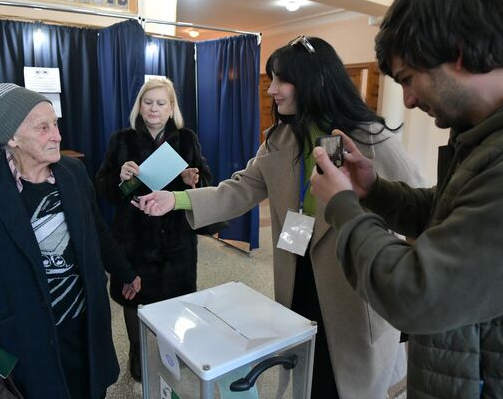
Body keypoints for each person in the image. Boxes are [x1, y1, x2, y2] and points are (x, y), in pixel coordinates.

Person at [133, 38, 424, 398]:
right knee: (307, 370)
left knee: (343, 381)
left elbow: (419, 209)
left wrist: (410, 294)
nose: (271, 90)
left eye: (280, 80)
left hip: (351, 289)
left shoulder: (370, 138)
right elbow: (238, 190)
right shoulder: (280, 138)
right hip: (297, 275)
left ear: (312, 80)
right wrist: (174, 199)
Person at [309, 0, 503, 398]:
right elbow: (452, 214)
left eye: (408, 78)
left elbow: (414, 292)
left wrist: (342, 206)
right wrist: (373, 191)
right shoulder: (483, 134)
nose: (406, 100)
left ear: (457, 52)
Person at [0, 83, 141, 399]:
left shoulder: (73, 172)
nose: (57, 135)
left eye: (55, 124)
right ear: (13, 137)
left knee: (90, 389)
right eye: (43, 128)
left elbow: (96, 230)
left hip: (83, 321)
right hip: (28, 328)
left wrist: (125, 271)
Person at [95, 78, 212, 382]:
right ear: (139, 106)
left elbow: (208, 185)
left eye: (161, 103)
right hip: (133, 239)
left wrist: (193, 179)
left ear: (172, 108)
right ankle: (137, 352)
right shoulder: (122, 139)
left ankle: (172, 352)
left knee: (176, 303)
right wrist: (119, 177)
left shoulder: (186, 139)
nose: (154, 109)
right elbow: (103, 189)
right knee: (134, 300)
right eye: (148, 102)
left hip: (176, 242)